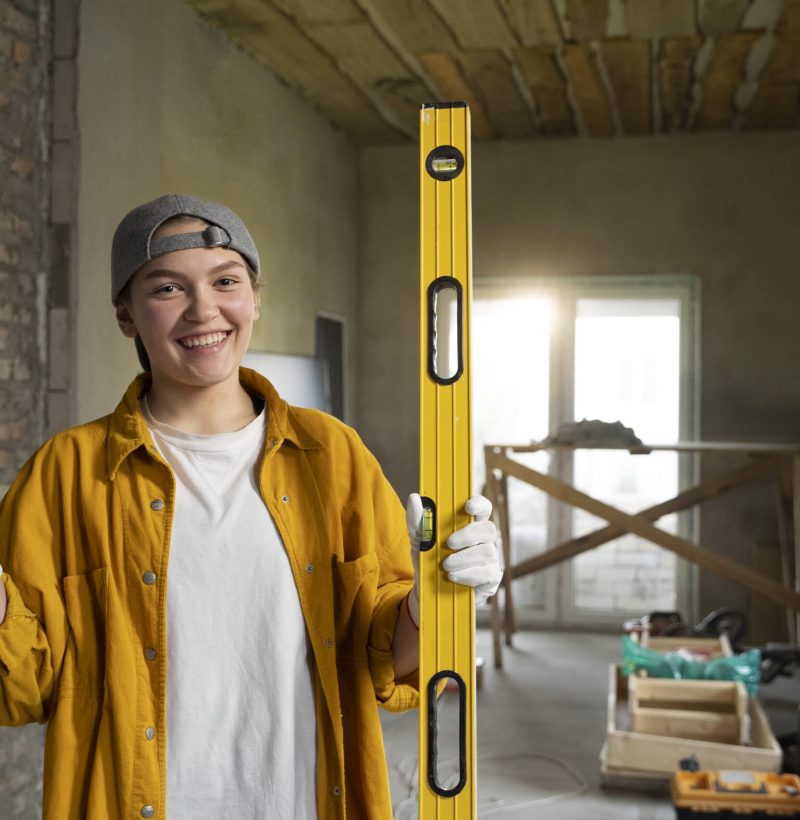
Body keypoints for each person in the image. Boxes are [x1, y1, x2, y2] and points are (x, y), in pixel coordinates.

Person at [0, 194, 502, 819]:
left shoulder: (334, 456)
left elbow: (385, 666)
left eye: (226, 280)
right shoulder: (65, 474)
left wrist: (431, 607)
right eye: (167, 289)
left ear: (256, 298)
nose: (203, 309)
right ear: (126, 315)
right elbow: (20, 689)